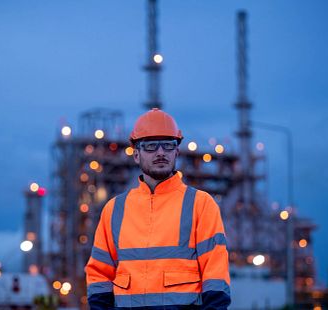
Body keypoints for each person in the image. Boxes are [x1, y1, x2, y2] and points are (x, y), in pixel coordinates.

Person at [85, 108, 231, 309]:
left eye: (168, 146)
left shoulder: (201, 204)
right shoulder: (114, 209)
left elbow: (215, 275)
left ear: (177, 152)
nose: (160, 152)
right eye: (151, 146)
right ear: (136, 155)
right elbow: (99, 274)